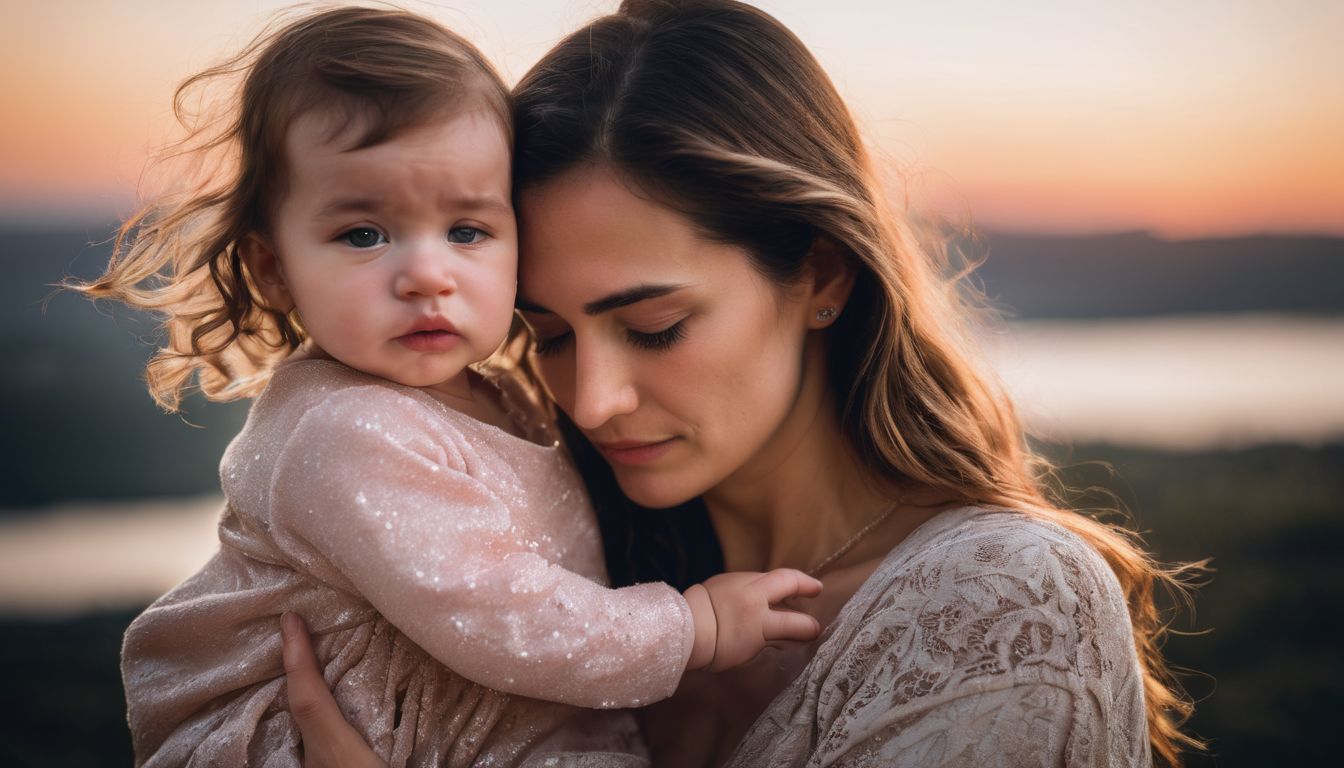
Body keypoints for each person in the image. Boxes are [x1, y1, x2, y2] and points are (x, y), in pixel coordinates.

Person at [281, 0, 1202, 765]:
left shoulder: (997, 604)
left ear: (823, 275)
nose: (592, 400)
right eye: (547, 335)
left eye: (655, 329)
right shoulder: (552, 594)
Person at [74, 6, 825, 767]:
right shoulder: (349, 431)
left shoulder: (501, 395)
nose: (428, 276)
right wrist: (689, 627)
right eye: (364, 234)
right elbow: (497, 615)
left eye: (467, 231)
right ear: (274, 271)